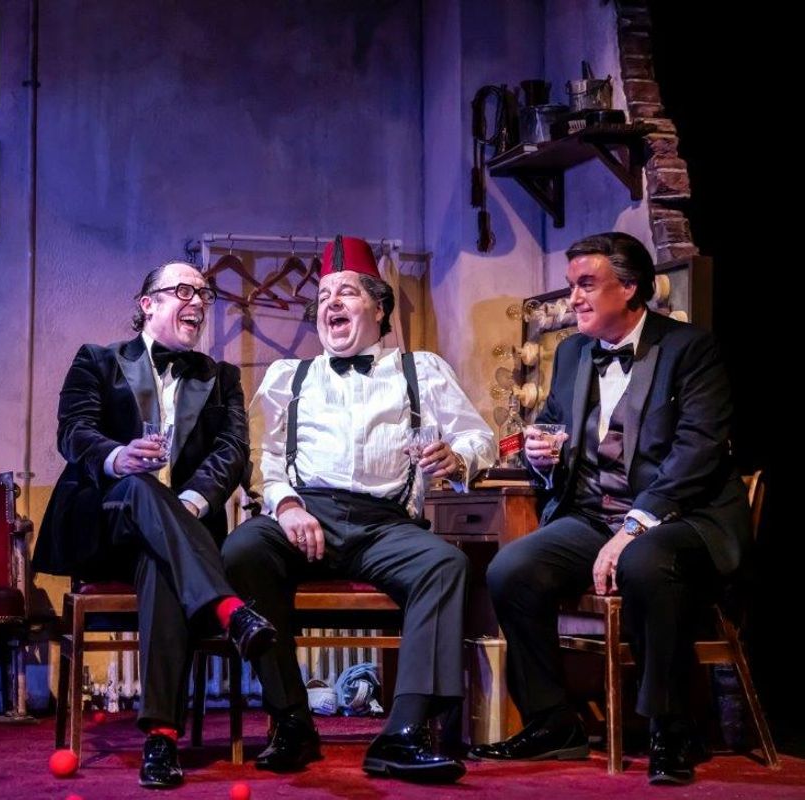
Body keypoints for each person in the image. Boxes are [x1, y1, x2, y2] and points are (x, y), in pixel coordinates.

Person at [471, 232, 750, 786]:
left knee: (645, 561)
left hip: (681, 516)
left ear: (629, 287)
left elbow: (697, 451)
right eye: (571, 285)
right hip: (594, 516)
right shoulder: (572, 353)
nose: (573, 298)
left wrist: (635, 525)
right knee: (511, 571)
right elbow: (555, 429)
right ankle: (554, 723)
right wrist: (542, 456)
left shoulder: (690, 349)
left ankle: (670, 726)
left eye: (586, 284)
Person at [222, 235, 496, 785]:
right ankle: (291, 719)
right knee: (243, 548)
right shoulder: (288, 377)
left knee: (445, 564)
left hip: (386, 525)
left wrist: (457, 455)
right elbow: (261, 458)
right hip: (306, 517)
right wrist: (286, 504)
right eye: (324, 296)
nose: (331, 304)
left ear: (378, 306)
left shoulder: (421, 370)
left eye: (346, 292)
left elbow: (480, 437)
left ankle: (403, 733)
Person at [31, 260, 276, 790]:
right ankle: (229, 609)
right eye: (184, 290)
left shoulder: (220, 377)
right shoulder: (96, 360)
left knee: (162, 562)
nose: (198, 301)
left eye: (204, 294)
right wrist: (118, 457)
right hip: (104, 523)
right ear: (148, 304)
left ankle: (161, 739)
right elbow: (73, 431)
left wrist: (188, 503)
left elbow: (232, 451)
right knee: (141, 486)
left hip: (179, 530)